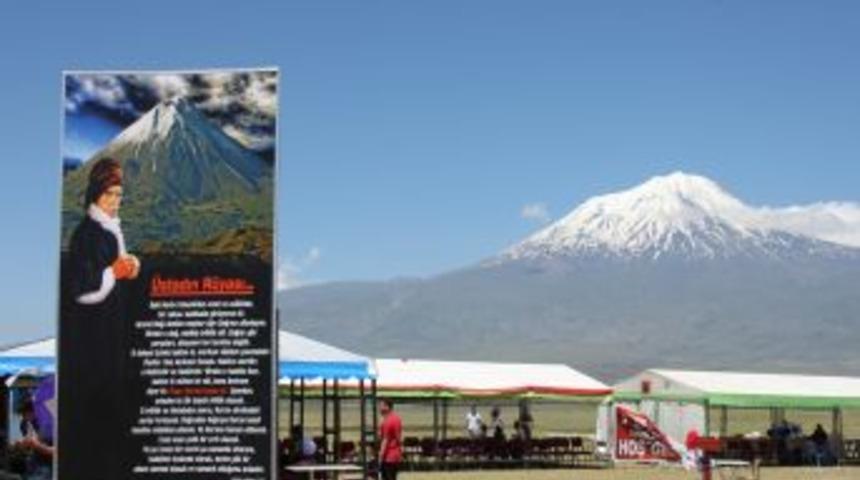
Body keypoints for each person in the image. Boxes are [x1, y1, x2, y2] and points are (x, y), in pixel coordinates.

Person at [59, 157, 140, 479]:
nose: (115, 201)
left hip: (111, 334)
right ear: (96, 193)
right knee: (98, 411)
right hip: (94, 342)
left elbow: (112, 268)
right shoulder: (87, 234)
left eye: (119, 195)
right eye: (109, 194)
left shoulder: (108, 229)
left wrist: (128, 267)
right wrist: (113, 272)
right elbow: (80, 289)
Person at [14, 398, 53, 480]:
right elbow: (34, 442)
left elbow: (56, 452)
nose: (25, 418)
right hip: (36, 463)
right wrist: (23, 444)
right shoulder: (31, 423)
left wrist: (36, 445)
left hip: (47, 467)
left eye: (25, 414)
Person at [378, 398, 402, 480]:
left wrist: (380, 455)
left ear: (387, 407)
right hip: (395, 455)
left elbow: (385, 439)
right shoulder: (396, 418)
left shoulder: (388, 421)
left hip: (388, 456)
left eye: (381, 406)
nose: (379, 408)